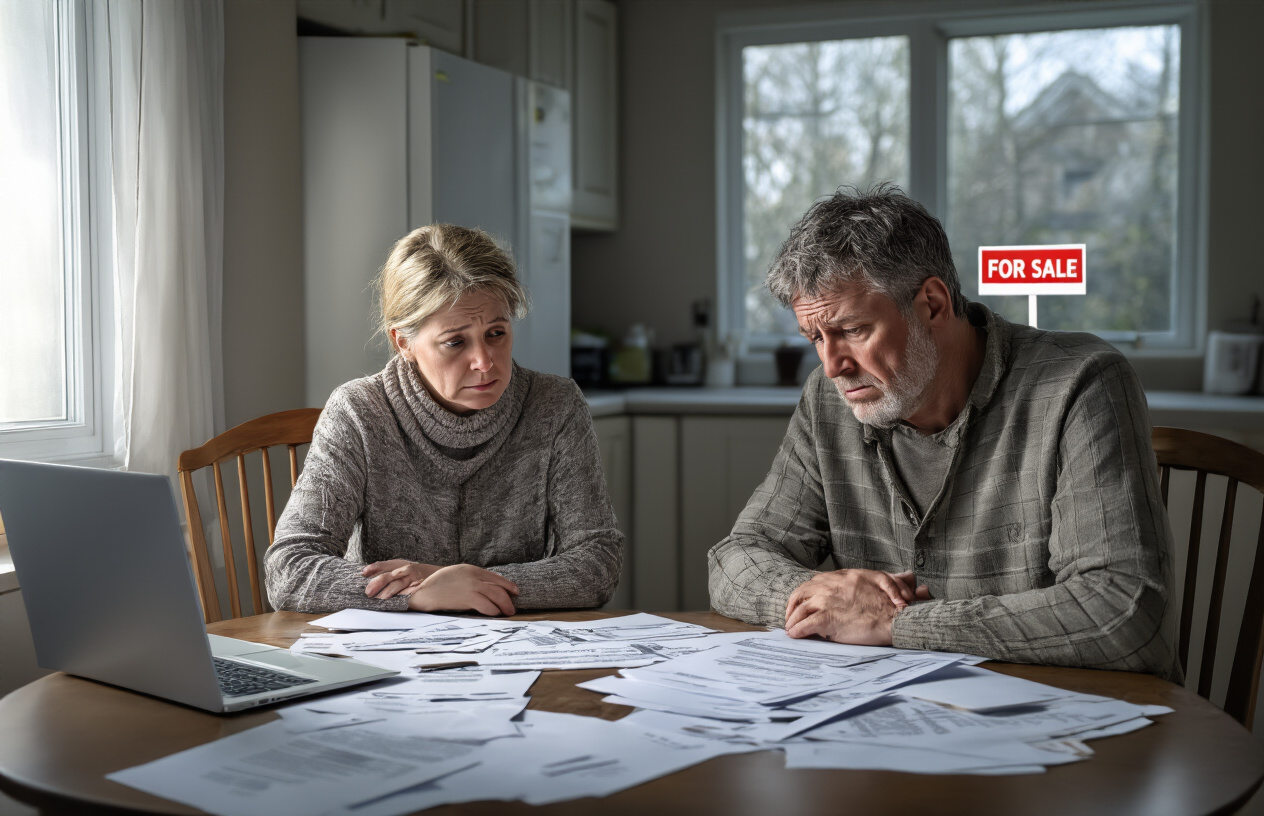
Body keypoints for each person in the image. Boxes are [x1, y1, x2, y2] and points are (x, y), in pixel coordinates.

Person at [707, 184, 1177, 677]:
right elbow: (735, 560)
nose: (832, 366)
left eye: (852, 330)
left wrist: (898, 624)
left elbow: (1126, 613)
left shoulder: (1082, 383)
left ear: (932, 303)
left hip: (1077, 726)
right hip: (892, 720)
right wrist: (823, 600)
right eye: (815, 338)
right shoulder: (828, 402)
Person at [267, 224, 623, 615]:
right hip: (394, 655)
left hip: (518, 648)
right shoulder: (358, 411)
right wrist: (419, 593)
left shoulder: (555, 405)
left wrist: (452, 581)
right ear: (404, 342)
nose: (485, 362)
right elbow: (289, 569)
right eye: (456, 341)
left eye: (496, 332)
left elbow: (597, 562)